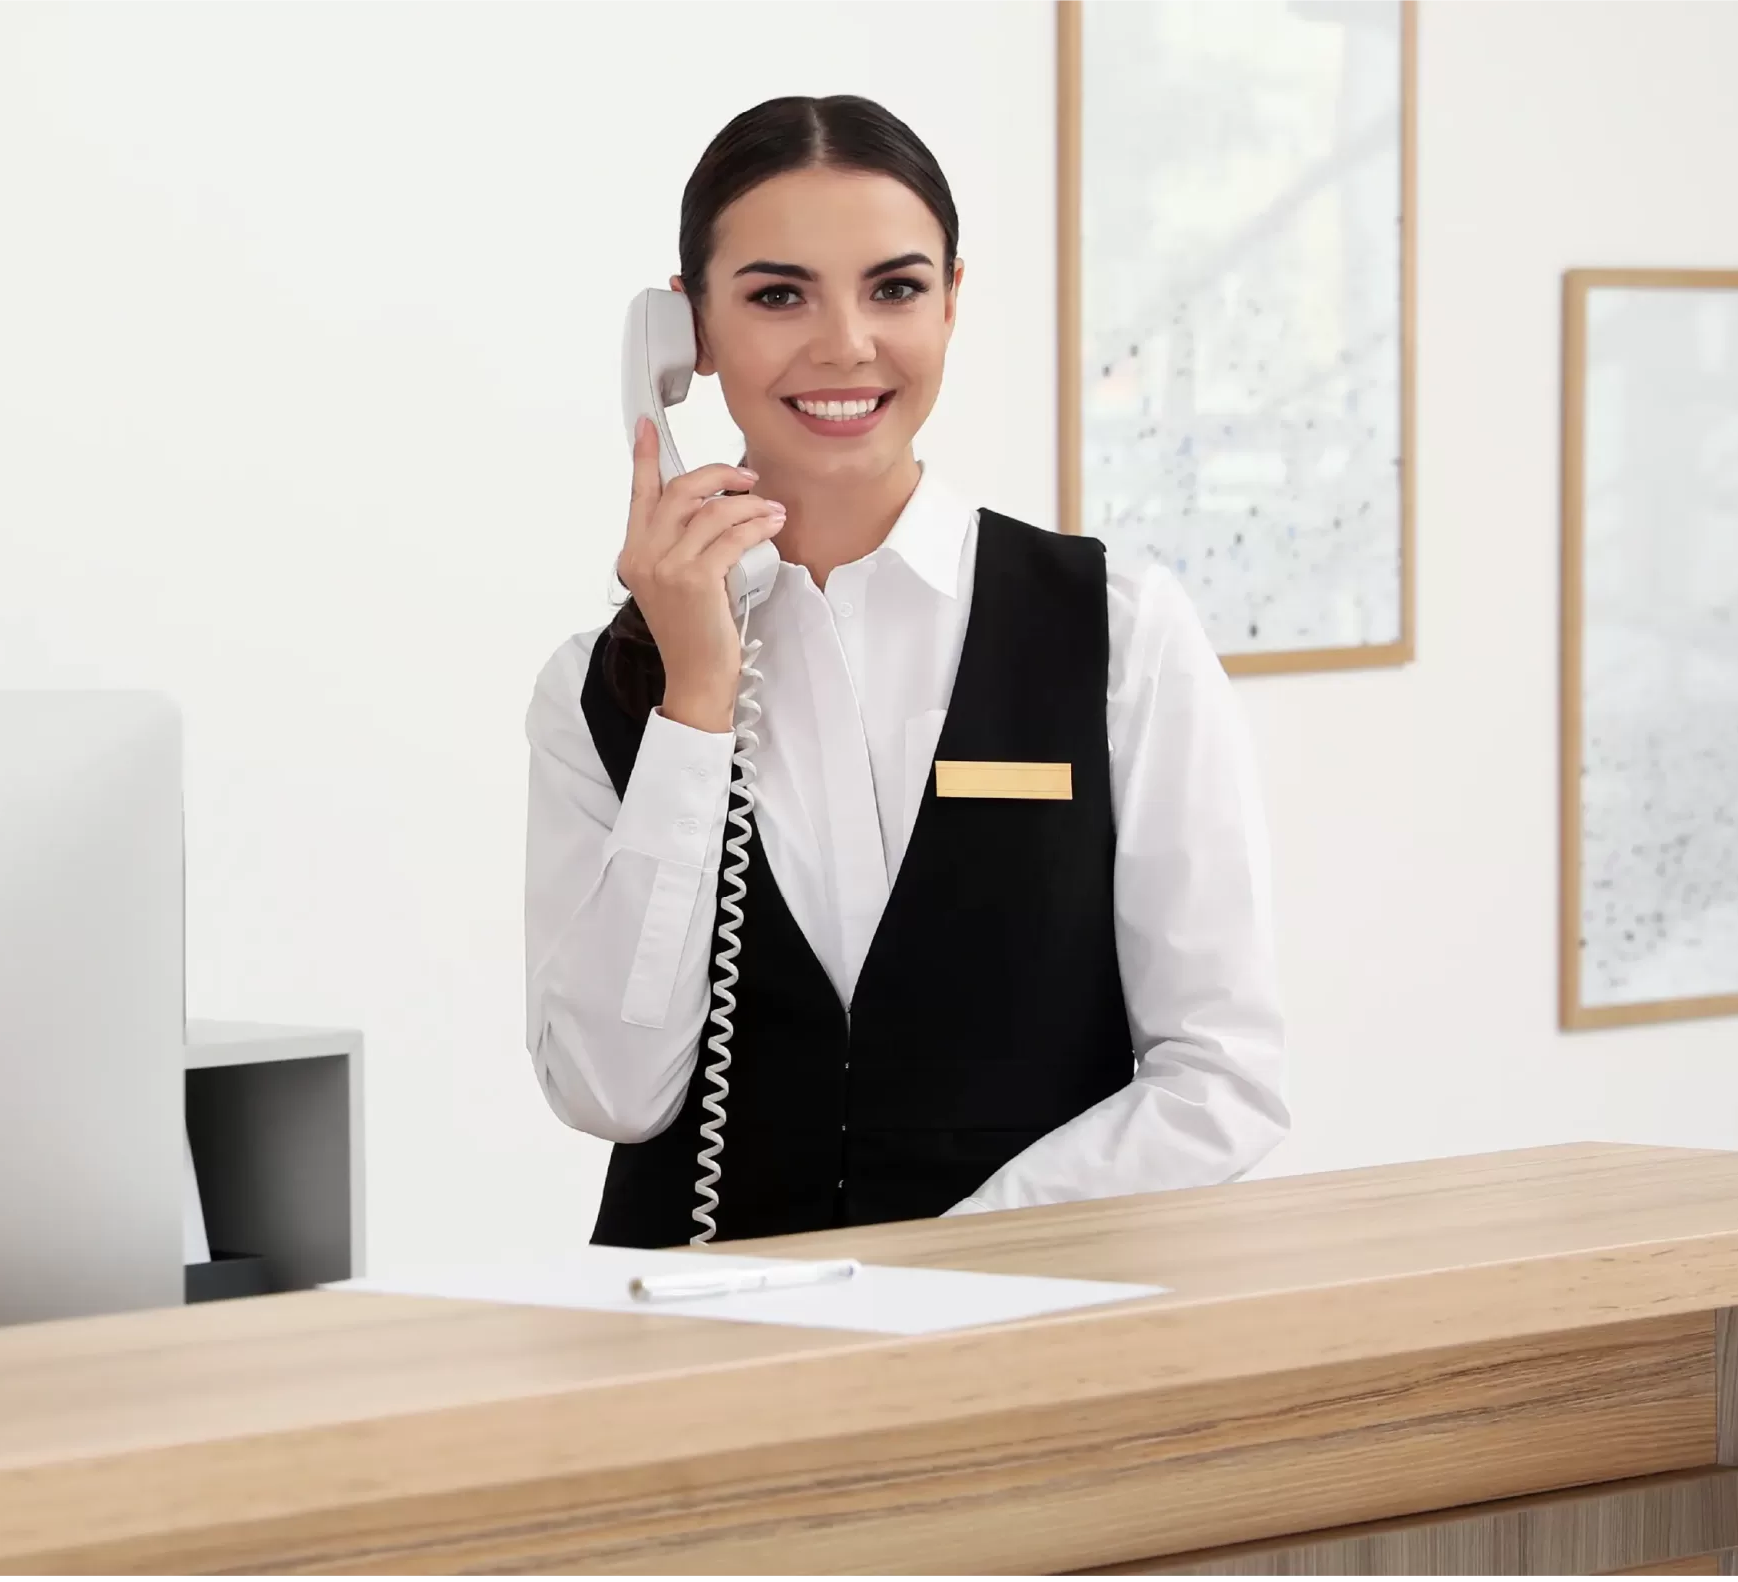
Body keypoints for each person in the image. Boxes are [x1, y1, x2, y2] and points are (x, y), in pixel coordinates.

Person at [524, 95, 1288, 1249]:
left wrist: (950, 1260)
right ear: (686, 337)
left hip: (1020, 1350)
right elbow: (611, 1092)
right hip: (684, 1358)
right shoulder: (595, 688)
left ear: (950, 301)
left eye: (894, 288)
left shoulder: (1118, 633)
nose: (844, 344)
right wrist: (693, 704)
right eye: (778, 294)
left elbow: (1222, 1079)